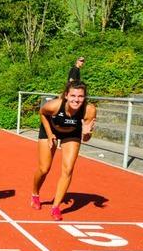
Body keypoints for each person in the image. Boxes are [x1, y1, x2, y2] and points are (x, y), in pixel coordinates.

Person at [31, 81, 97, 221]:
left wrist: (86, 134)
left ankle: (56, 207)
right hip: (51, 129)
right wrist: (49, 135)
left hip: (71, 134)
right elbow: (42, 114)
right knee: (44, 168)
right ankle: (35, 194)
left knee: (68, 170)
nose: (76, 99)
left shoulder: (89, 110)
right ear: (66, 95)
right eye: (73, 95)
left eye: (80, 96)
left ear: (84, 97)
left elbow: (86, 138)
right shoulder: (54, 105)